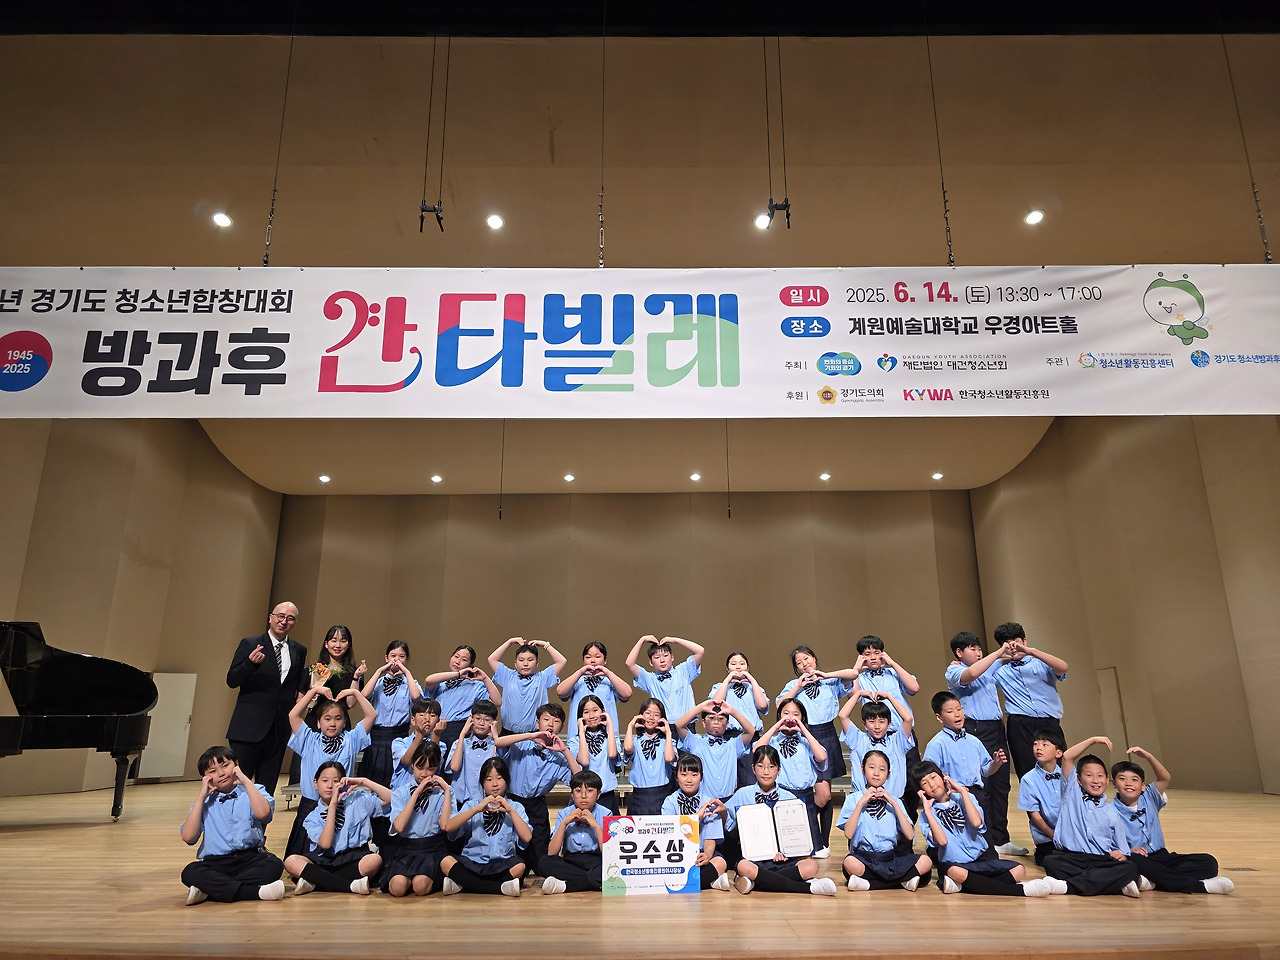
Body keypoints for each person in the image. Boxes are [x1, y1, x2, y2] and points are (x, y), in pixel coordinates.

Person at [915, 760, 1065, 897]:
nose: (932, 784)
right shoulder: (926, 816)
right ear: (922, 791)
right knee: (955, 872)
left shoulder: (965, 798)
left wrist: (963, 792)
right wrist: (928, 811)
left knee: (1019, 870)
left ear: (943, 777)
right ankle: (1020, 890)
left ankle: (965, 885)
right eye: (925, 783)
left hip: (981, 858)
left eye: (933, 777)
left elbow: (976, 823)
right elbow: (942, 841)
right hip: (955, 864)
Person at [1111, 746, 1233, 894]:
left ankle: (1153, 881)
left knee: (1209, 862)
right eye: (1122, 779)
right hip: (1140, 859)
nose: (1128, 783)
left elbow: (1164, 778)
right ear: (1114, 784)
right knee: (1132, 861)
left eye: (1134, 779)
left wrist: (1148, 757)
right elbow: (1108, 844)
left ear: (1143, 786)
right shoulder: (1110, 811)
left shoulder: (1149, 797)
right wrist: (1128, 850)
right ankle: (1198, 886)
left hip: (1163, 856)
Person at [945, 631, 1023, 856]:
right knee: (983, 784)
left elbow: (1007, 657)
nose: (979, 652)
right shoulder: (954, 670)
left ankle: (1001, 838)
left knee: (1001, 784)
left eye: (979, 648)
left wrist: (1013, 648)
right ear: (959, 653)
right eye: (973, 649)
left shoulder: (989, 664)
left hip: (996, 728)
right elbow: (970, 674)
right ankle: (984, 838)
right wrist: (997, 653)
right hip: (975, 729)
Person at [178, 745, 285, 905]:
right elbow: (188, 837)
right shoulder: (204, 803)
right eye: (212, 771)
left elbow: (263, 814)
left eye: (225, 765)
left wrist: (246, 781)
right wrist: (200, 798)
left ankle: (209, 891)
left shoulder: (254, 790)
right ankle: (256, 892)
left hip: (250, 858)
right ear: (205, 778)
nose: (221, 773)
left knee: (274, 865)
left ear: (236, 764)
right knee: (190, 872)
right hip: (216, 863)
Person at [724, 745, 836, 896]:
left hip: (785, 858)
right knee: (744, 866)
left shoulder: (790, 798)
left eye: (771, 767)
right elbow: (729, 826)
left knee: (811, 866)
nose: (766, 772)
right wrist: (722, 811)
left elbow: (798, 835)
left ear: (779, 770)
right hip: (755, 859)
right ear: (753, 769)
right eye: (760, 766)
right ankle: (806, 888)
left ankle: (757, 882)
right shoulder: (742, 794)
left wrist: (787, 852)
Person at [283, 682, 376, 857]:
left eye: (338, 718)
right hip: (311, 805)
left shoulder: (351, 740)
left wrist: (355, 693)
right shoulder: (309, 740)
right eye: (327, 719)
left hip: (341, 805)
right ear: (318, 723)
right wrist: (314, 691)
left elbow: (371, 715)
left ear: (344, 722)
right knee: (302, 858)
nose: (332, 723)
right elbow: (293, 715)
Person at [1042, 735, 1142, 897]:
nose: (1096, 780)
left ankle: (1068, 886)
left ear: (1107, 779)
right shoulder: (1071, 794)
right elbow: (1067, 757)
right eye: (1089, 775)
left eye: (1100, 776)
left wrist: (1122, 855)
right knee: (1050, 861)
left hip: (1100, 860)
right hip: (1072, 858)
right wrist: (1093, 740)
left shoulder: (1111, 811)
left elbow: (1122, 850)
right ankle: (1112, 885)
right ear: (1079, 779)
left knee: (1130, 867)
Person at [774, 645, 851, 854]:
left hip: (826, 734)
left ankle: (822, 842)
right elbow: (780, 706)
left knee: (825, 794)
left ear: (814, 658)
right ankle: (800, 831)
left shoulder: (829, 681)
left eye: (806, 658)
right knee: (813, 791)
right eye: (799, 663)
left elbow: (852, 674)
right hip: (803, 734)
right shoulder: (793, 685)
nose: (804, 664)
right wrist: (798, 687)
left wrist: (827, 675)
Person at [224, 601, 308, 793]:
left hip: (278, 729)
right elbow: (232, 680)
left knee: (266, 789)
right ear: (271, 618)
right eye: (280, 616)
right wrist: (250, 664)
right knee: (238, 787)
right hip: (248, 729)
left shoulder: (299, 650)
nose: (284, 621)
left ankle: (263, 815)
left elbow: (293, 687)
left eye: (290, 618)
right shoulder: (250, 643)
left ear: (294, 623)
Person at [284, 762, 391, 895]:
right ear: (316, 783)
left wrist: (364, 781)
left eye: (335, 781)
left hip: (354, 858)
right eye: (325, 781)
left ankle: (316, 881)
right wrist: (333, 805)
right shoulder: (312, 817)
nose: (330, 786)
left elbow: (391, 799)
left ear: (343, 783)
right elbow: (325, 844)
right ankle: (349, 886)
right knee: (291, 861)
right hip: (323, 861)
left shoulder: (357, 800)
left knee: (374, 860)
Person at [497, 703, 581, 872]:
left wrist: (565, 751)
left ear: (561, 727)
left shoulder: (559, 757)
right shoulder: (521, 744)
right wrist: (530, 736)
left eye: (556, 721)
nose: (550, 724)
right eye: (546, 719)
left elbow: (579, 779)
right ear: (537, 723)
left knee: (541, 860)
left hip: (537, 805)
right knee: (510, 851)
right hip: (512, 802)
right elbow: (498, 742)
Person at [840, 750, 931, 892]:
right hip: (864, 858)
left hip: (890, 858)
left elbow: (909, 835)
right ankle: (902, 882)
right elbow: (849, 834)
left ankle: (869, 884)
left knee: (926, 861)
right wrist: (861, 803)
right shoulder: (853, 799)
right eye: (871, 767)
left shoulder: (895, 801)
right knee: (849, 862)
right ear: (863, 769)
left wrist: (893, 803)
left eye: (882, 769)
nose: (876, 773)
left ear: (888, 774)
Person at [440, 757, 532, 897]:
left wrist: (510, 811)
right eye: (489, 779)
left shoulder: (516, 807)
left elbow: (527, 837)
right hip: (472, 862)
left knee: (520, 867)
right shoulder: (472, 805)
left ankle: (464, 885)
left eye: (499, 778)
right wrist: (476, 809)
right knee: (445, 862)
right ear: (482, 783)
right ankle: (499, 888)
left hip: (502, 863)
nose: (494, 784)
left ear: (506, 780)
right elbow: (448, 827)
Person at [991, 622, 1069, 781]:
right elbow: (974, 674)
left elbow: (1063, 667)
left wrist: (1031, 651)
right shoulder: (1000, 671)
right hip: (1019, 724)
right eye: (1007, 644)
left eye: (1017, 642)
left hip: (1049, 722)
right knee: (1026, 772)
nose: (1013, 647)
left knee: (1058, 770)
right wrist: (960, 664)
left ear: (1024, 641)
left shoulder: (1041, 663)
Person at [835, 692, 912, 851]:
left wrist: (890, 697)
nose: (877, 726)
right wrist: (858, 694)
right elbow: (843, 715)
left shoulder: (897, 741)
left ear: (889, 724)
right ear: (864, 724)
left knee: (900, 853)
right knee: (861, 852)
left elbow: (908, 718)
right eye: (871, 721)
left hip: (893, 805)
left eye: (882, 721)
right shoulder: (858, 739)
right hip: (863, 805)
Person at [922, 691, 1006, 833]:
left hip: (977, 794)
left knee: (983, 835)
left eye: (959, 709)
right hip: (952, 797)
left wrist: (996, 763)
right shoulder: (936, 744)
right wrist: (948, 787)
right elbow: (929, 775)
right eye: (950, 711)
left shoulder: (974, 741)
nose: (957, 714)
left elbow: (985, 770)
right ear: (939, 717)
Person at [754, 698, 828, 856]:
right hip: (781, 795)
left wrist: (803, 729)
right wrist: (776, 726)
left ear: (802, 718)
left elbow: (822, 757)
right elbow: (756, 750)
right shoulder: (774, 741)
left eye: (796, 714)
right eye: (785, 713)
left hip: (805, 796)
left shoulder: (807, 742)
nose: (790, 718)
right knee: (783, 846)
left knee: (806, 849)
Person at [382, 741, 448, 897]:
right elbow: (399, 827)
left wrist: (447, 791)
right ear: (412, 765)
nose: (424, 774)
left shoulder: (443, 792)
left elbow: (445, 826)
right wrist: (416, 793)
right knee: (397, 888)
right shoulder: (401, 793)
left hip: (433, 848)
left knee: (420, 886)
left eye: (430, 768)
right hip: (407, 848)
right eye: (420, 767)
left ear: (437, 768)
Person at [659, 753, 731, 891]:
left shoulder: (709, 802)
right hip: (675, 851)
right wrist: (696, 817)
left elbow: (710, 839)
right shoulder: (669, 801)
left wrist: (707, 855)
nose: (689, 780)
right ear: (676, 777)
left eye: (694, 775)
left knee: (720, 862)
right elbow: (669, 832)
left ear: (701, 777)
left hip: (701, 852)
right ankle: (708, 882)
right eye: (684, 774)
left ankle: (683, 885)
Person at [422, 645, 503, 763]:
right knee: (435, 764)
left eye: (464, 659)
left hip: (460, 729)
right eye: (456, 656)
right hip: (438, 728)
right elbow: (428, 680)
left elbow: (498, 701)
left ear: (470, 665)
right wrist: (458, 674)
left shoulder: (475, 685)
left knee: (456, 766)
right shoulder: (441, 683)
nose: (458, 661)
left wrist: (485, 678)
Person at [358, 641, 423, 788]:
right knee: (374, 783)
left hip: (399, 736)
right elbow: (364, 695)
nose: (396, 660)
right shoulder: (378, 682)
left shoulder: (410, 682)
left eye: (401, 656)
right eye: (393, 656)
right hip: (376, 737)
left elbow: (416, 697)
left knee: (396, 782)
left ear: (407, 659)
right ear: (386, 658)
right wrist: (379, 671)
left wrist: (407, 673)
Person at [538, 770, 612, 894]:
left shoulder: (606, 813)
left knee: (611, 867)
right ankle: (593, 882)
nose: (583, 796)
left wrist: (595, 826)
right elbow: (552, 852)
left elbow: (609, 853)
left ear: (598, 794)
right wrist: (564, 823)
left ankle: (566, 886)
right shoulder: (564, 814)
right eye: (578, 791)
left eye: (590, 791)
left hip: (596, 860)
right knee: (544, 863)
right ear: (572, 794)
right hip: (571, 861)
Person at [674, 699, 756, 802]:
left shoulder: (733, 745)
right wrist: (701, 707)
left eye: (721, 719)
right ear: (703, 722)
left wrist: (732, 711)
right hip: (704, 801)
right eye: (711, 718)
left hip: (730, 800)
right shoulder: (696, 743)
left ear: (727, 724)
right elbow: (679, 725)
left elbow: (750, 731)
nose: (716, 722)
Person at [625, 634, 705, 731]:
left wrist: (675, 640)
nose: (662, 660)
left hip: (687, 726)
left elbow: (700, 651)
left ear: (672, 657)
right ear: (651, 662)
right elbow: (630, 663)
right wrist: (642, 639)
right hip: (662, 728)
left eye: (665, 656)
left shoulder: (683, 671)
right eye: (657, 657)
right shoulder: (650, 679)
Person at [487, 637, 567, 734]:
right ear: (515, 664)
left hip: (534, 734)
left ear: (537, 663)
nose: (525, 664)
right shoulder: (507, 676)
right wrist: (510, 642)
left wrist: (545, 645)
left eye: (530, 660)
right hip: (508, 734)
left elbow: (561, 661)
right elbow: (492, 659)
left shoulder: (543, 678)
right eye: (521, 660)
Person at [556, 641, 633, 732]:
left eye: (597, 657)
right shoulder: (577, 680)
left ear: (605, 660)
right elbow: (560, 691)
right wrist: (580, 672)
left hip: (606, 734)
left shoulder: (610, 680)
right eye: (588, 657)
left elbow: (627, 693)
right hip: (579, 733)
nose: (593, 661)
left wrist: (608, 673)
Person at [1017, 727, 1067, 864]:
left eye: (1045, 744)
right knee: (1055, 860)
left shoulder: (1067, 775)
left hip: (1068, 833)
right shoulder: (1028, 779)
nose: (1038, 748)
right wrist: (1054, 836)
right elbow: (1035, 815)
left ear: (1058, 753)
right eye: (1035, 744)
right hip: (1047, 837)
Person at [566, 695, 624, 814]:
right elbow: (584, 761)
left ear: (603, 712)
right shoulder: (574, 741)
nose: (591, 716)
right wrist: (581, 733)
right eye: (586, 712)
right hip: (583, 798)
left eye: (595, 710)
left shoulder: (612, 739)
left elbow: (612, 754)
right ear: (581, 716)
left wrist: (610, 726)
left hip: (607, 796)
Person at [622, 698, 677, 815]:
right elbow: (628, 748)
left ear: (662, 718)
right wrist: (630, 726)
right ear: (641, 715)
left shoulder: (667, 742)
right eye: (648, 713)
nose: (651, 717)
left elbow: (669, 758)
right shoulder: (636, 741)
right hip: (639, 796)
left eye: (656, 715)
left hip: (662, 795)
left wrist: (668, 733)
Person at [448, 699, 500, 811]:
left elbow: (497, 771)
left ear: (494, 722)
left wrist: (496, 738)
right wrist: (462, 735)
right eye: (478, 718)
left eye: (487, 720)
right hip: (461, 803)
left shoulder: (496, 746)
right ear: (471, 719)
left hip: (488, 802)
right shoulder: (460, 743)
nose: (481, 723)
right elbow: (454, 767)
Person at [392, 697, 445, 792]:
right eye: (422, 714)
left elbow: (435, 763)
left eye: (432, 715)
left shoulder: (441, 745)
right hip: (403, 793)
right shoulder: (400, 742)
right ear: (413, 720)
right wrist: (420, 734)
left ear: (438, 721)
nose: (427, 719)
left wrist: (436, 735)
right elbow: (406, 761)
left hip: (429, 793)